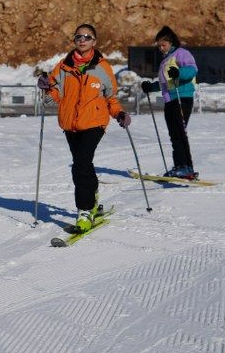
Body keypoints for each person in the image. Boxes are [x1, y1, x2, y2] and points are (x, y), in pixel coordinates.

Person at [38, 24, 130, 232]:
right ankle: (93, 197)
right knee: (82, 165)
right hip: (70, 124)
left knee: (81, 163)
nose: (82, 40)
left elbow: (110, 97)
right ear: (74, 40)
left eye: (87, 37)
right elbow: (54, 96)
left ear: (94, 42)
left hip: (94, 122)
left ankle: (85, 211)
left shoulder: (102, 67)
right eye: (79, 36)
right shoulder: (63, 67)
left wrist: (119, 114)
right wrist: (46, 88)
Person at [140, 26, 198, 179]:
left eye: (163, 44)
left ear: (171, 43)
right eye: (158, 45)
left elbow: (192, 69)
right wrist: (151, 87)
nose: (160, 48)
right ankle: (180, 166)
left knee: (180, 133)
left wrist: (179, 72)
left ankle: (186, 167)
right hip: (170, 99)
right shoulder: (166, 60)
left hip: (182, 97)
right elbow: (165, 83)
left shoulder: (181, 53)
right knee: (175, 135)